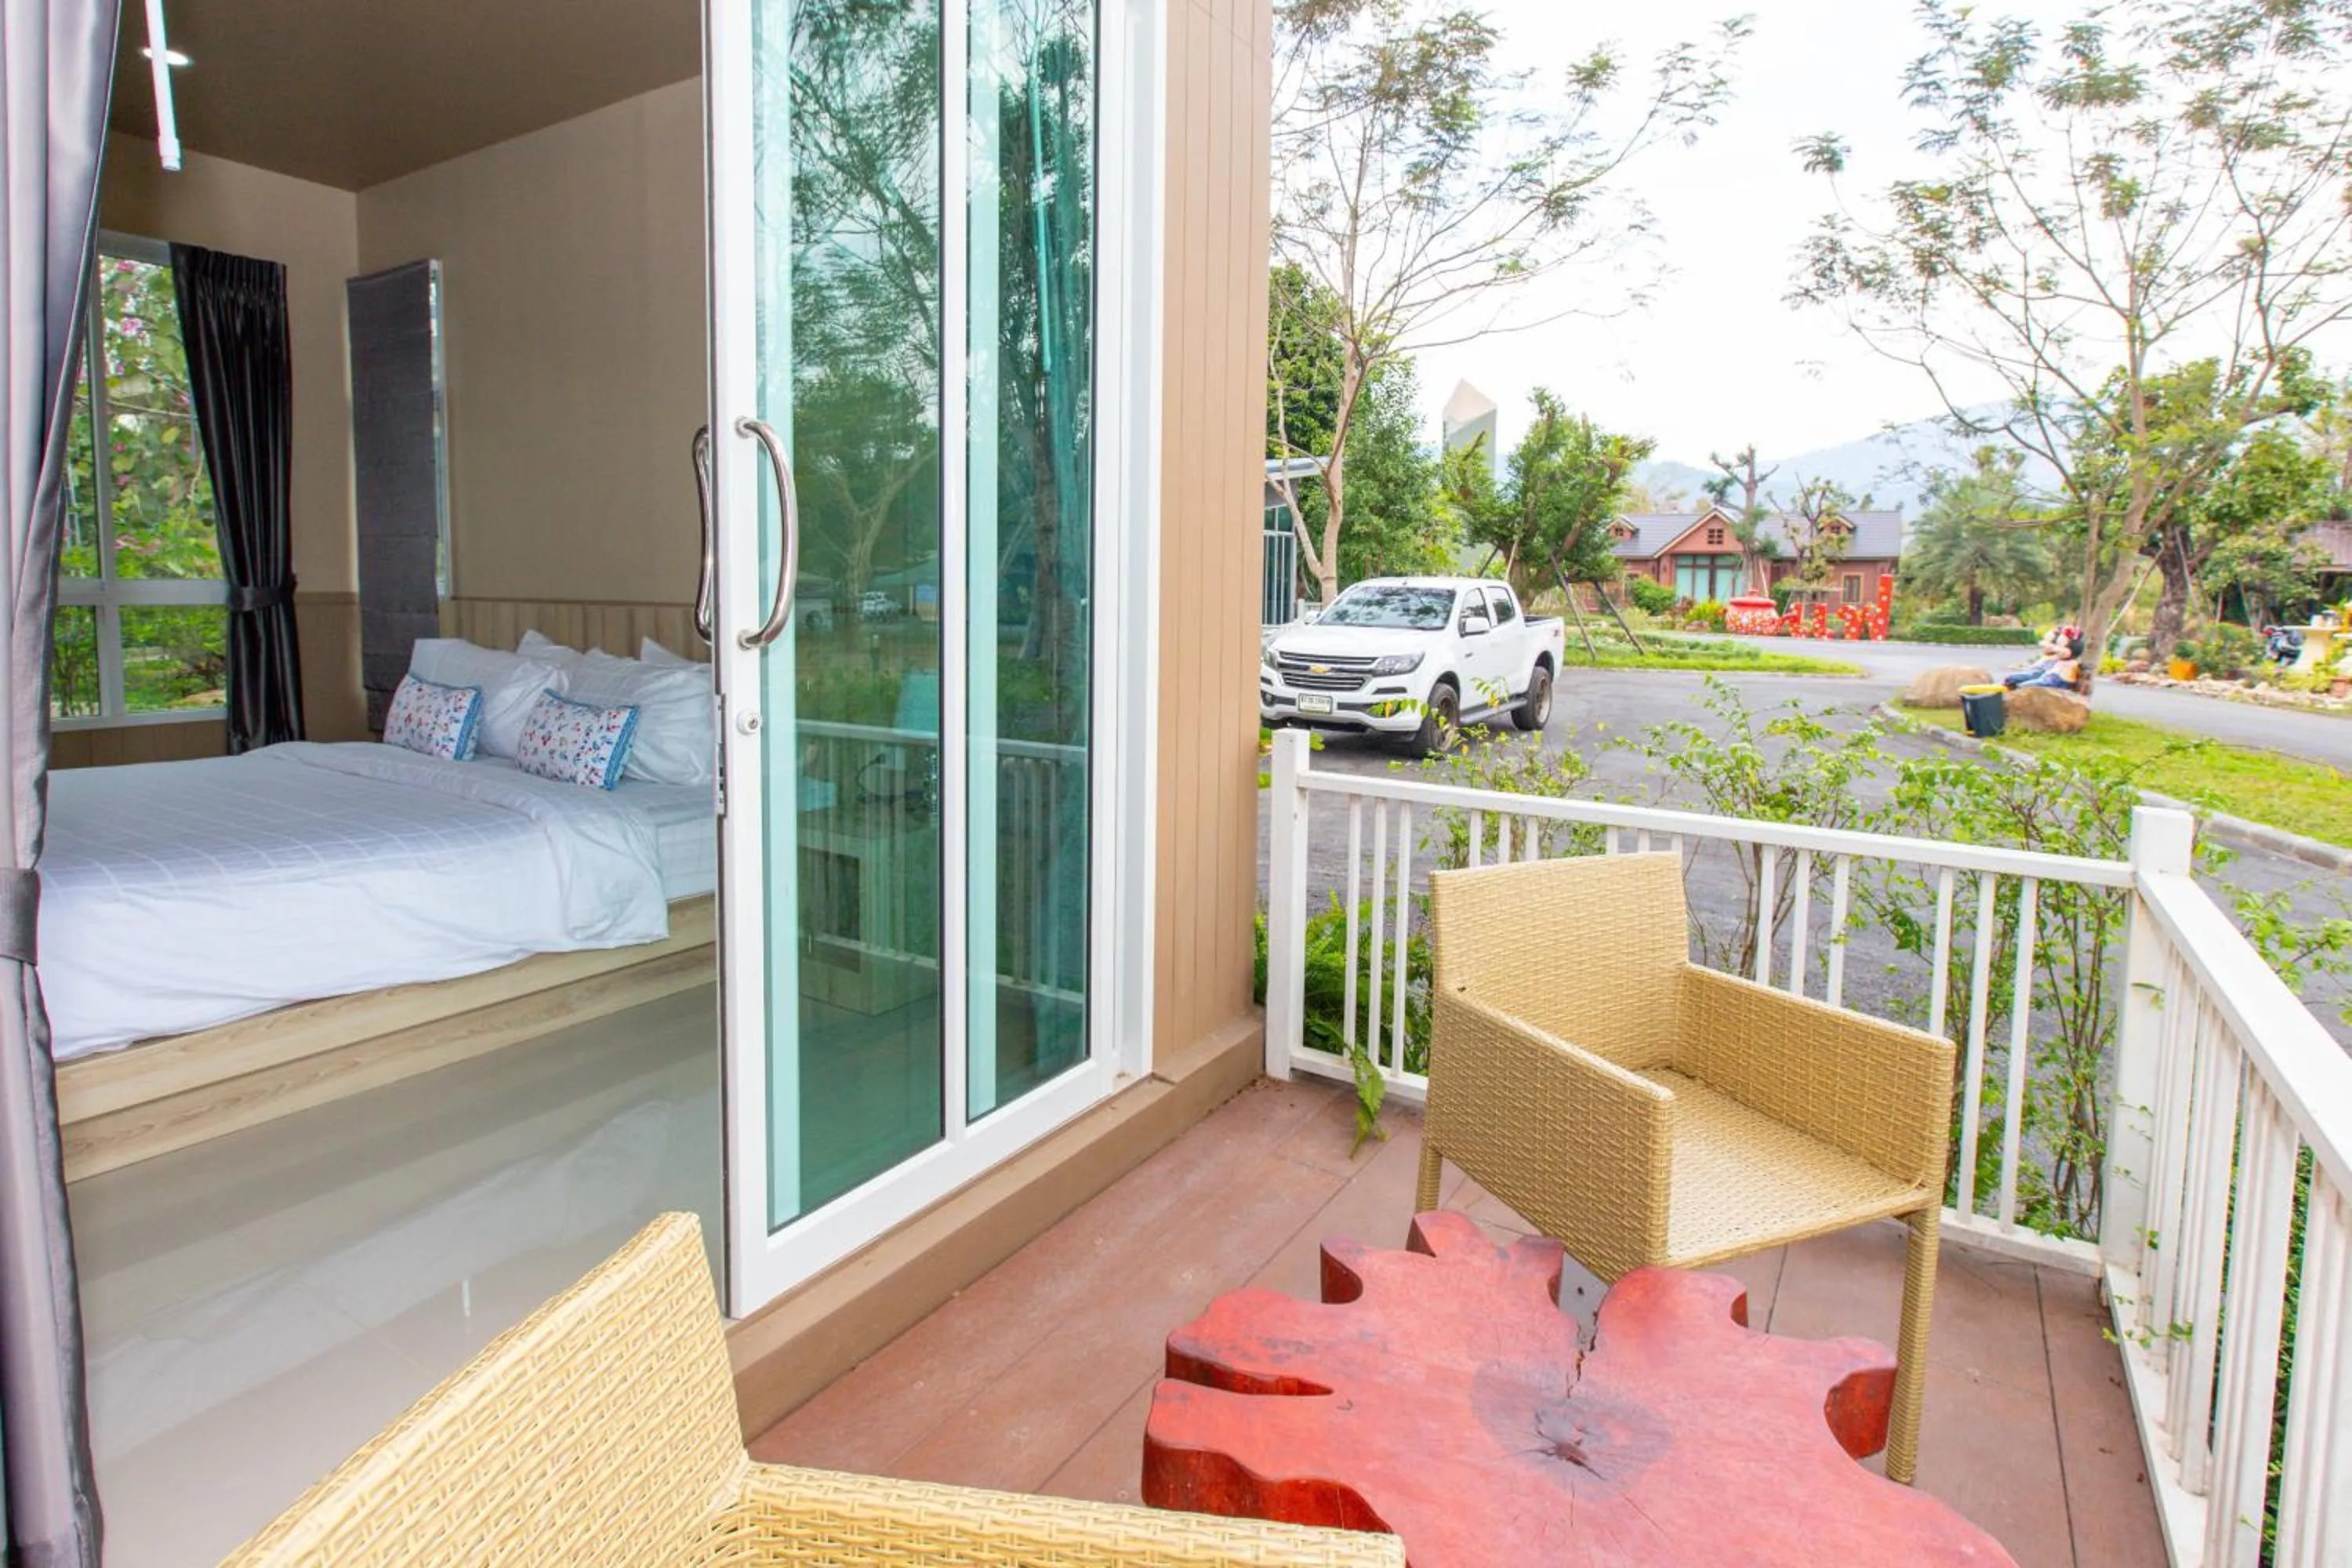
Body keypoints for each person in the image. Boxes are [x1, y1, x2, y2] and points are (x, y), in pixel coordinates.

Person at [2003, 626, 2085, 691]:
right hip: (2047, 678)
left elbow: (2061, 652)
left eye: (2061, 646)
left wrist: (2053, 647)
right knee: (2017, 681)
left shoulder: (2071, 663)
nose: (2058, 649)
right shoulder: (2057, 658)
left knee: (2024, 686)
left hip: (2055, 680)